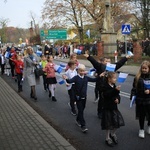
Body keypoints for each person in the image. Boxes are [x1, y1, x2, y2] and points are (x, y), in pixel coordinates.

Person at [84, 53, 131, 119]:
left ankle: (109, 111)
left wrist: (126, 58)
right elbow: (94, 62)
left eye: (109, 61)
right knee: (102, 99)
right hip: (102, 86)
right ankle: (100, 112)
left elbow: (119, 63)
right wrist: (89, 56)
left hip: (111, 86)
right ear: (103, 62)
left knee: (111, 98)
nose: (108, 63)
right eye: (106, 61)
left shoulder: (112, 67)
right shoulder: (100, 66)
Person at [62, 64, 98, 133]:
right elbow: (69, 81)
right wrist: (66, 78)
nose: (82, 72)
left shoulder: (86, 78)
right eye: (81, 71)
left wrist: (100, 76)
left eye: (83, 71)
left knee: (82, 109)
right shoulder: (76, 78)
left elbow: (94, 80)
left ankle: (78, 119)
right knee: (80, 111)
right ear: (78, 70)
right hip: (78, 97)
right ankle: (83, 125)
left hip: (84, 97)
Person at [101, 71, 125, 147]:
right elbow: (107, 95)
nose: (115, 79)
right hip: (107, 108)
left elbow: (117, 95)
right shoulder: (104, 86)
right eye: (114, 78)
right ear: (109, 79)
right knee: (108, 124)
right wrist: (115, 90)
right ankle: (107, 138)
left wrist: (118, 99)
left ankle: (113, 134)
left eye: (115, 78)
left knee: (116, 122)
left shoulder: (114, 85)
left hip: (114, 108)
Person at [130, 60, 150, 138]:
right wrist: (133, 95)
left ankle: (149, 126)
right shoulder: (137, 77)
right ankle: (141, 129)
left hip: (149, 99)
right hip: (140, 100)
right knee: (142, 115)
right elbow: (134, 88)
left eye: (145, 68)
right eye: (143, 68)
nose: (144, 70)